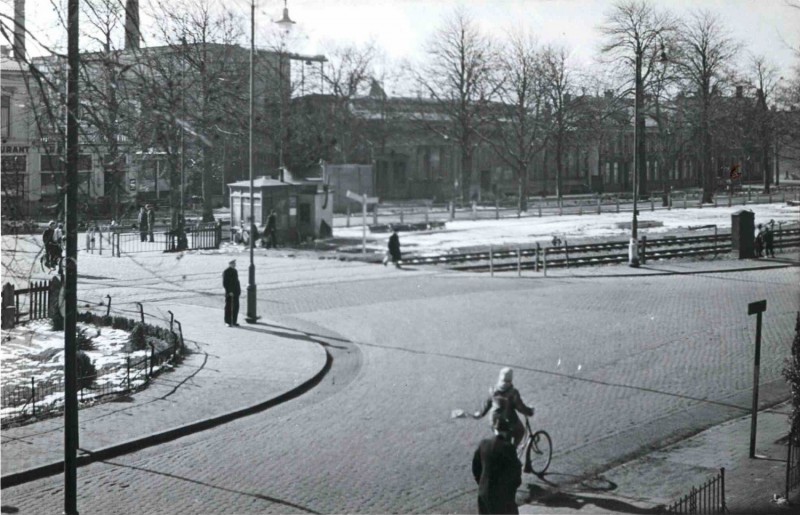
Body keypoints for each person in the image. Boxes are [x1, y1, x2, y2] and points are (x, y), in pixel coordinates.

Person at [472, 417, 522, 514]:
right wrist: (513, 487)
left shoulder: (484, 444)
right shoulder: (508, 448)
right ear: (507, 432)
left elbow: (476, 467)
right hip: (502, 496)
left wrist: (481, 483)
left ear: (494, 429)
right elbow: (515, 471)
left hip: (484, 493)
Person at [474, 367, 534, 447]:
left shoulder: (493, 390)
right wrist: (530, 412)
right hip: (507, 421)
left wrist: (480, 414)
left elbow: (487, 404)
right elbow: (520, 407)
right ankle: (513, 451)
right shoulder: (513, 393)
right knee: (520, 431)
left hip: (494, 421)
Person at [222, 259, 241, 327]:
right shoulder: (226, 271)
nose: (234, 264)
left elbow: (236, 282)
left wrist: (238, 291)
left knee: (236, 307)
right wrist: (229, 291)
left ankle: (234, 321)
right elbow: (225, 283)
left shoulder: (235, 271)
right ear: (229, 264)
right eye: (233, 263)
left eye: (234, 263)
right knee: (228, 307)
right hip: (230, 293)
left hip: (236, 292)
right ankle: (227, 321)